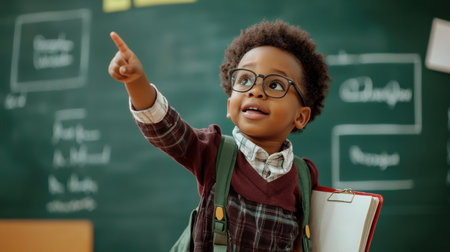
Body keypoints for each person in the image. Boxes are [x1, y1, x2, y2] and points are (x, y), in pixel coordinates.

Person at [108, 20, 330, 251]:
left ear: (301, 117)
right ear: (229, 104)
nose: (255, 91)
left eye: (275, 85)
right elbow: (166, 129)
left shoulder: (304, 177)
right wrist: (136, 83)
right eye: (245, 80)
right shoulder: (213, 151)